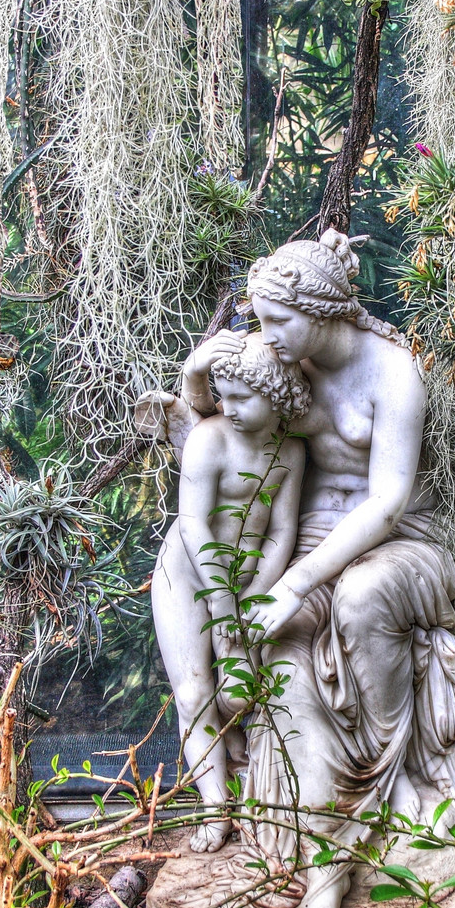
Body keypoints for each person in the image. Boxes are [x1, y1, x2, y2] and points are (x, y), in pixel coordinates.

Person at [178, 230, 455, 908]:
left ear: (322, 309)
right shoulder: (287, 363)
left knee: (360, 598)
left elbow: (387, 503)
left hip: (404, 545)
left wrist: (298, 580)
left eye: (276, 320)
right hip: (306, 541)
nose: (265, 334)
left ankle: (393, 778)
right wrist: (197, 370)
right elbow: (214, 409)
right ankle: (327, 868)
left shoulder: (393, 372)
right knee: (283, 663)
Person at [152, 333, 308, 854]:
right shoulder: (210, 440)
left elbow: (281, 532)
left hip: (248, 585)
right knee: (194, 694)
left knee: (241, 695)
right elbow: (193, 524)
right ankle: (216, 808)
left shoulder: (291, 451)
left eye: (243, 397)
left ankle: (257, 795)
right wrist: (222, 599)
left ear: (278, 393)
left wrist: (256, 595)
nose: (228, 408)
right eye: (222, 395)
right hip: (190, 574)